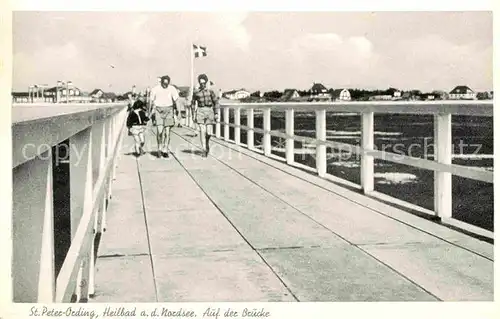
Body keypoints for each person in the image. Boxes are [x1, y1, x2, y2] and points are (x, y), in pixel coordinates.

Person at [150, 75, 179, 158]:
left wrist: (179, 112)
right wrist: (150, 112)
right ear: (161, 82)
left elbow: (176, 101)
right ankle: (159, 148)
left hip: (169, 110)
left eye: (167, 83)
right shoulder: (155, 89)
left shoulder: (172, 89)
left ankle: (165, 149)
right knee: (160, 132)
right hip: (158, 110)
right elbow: (151, 102)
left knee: (167, 132)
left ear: (169, 83)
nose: (165, 85)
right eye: (164, 83)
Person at [191, 73, 219, 157]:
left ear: (206, 82)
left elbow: (216, 102)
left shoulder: (210, 91)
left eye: (204, 83)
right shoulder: (196, 92)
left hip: (209, 111)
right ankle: (204, 149)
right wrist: (193, 114)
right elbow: (192, 103)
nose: (202, 84)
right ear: (199, 83)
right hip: (200, 111)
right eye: (201, 83)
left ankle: (207, 143)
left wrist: (216, 113)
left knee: (209, 132)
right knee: (202, 131)